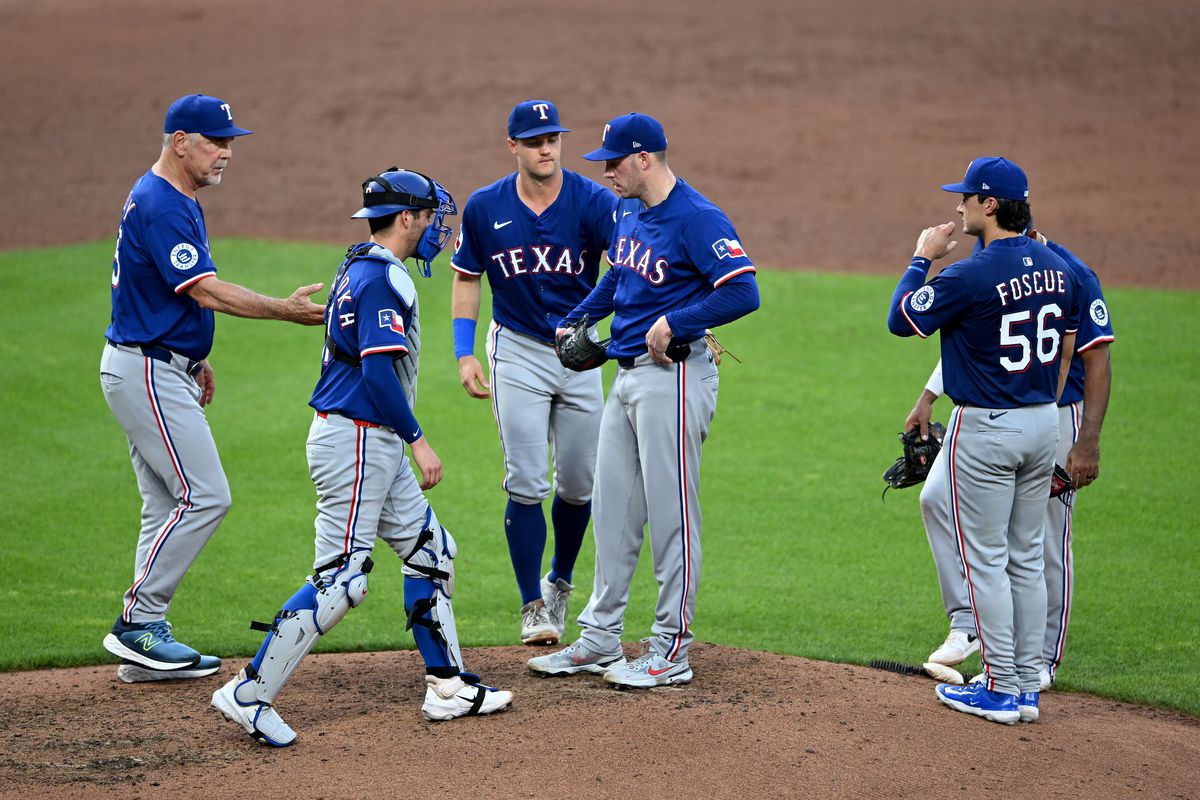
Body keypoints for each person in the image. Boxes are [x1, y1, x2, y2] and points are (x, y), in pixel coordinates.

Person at [210, 167, 512, 747]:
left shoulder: (360, 262)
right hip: (356, 439)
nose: (436, 228)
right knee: (341, 580)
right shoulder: (381, 280)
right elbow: (376, 371)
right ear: (407, 219)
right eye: (429, 217)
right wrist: (418, 438)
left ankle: (447, 685)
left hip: (368, 439)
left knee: (431, 552)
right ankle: (248, 692)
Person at [528, 113, 760, 688]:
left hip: (674, 378)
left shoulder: (698, 219)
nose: (606, 171)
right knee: (611, 512)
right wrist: (580, 316)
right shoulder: (628, 209)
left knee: (671, 514)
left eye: (614, 161)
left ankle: (670, 649)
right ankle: (602, 637)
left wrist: (676, 320)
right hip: (626, 377)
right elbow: (619, 276)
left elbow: (744, 290)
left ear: (645, 159)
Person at [100, 94, 326, 683]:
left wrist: (195, 357)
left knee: (163, 503)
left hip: (154, 364)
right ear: (180, 141)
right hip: (145, 369)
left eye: (230, 142)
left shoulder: (174, 195)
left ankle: (145, 645)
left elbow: (166, 292)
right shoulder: (164, 203)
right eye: (215, 141)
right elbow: (202, 289)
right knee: (205, 496)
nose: (226, 152)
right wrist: (284, 310)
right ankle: (137, 623)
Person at [887, 156, 1082, 725]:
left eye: (967, 198)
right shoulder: (1058, 266)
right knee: (1025, 559)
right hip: (1045, 421)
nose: (958, 206)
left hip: (988, 429)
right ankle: (1025, 686)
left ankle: (997, 689)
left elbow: (903, 319)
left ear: (990, 205)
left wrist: (922, 257)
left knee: (988, 562)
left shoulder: (970, 273)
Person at [913, 233, 1114, 703]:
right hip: (993, 414)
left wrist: (1087, 443)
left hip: (1055, 417)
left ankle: (1040, 660)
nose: (961, 213)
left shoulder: (1071, 272)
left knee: (1042, 539)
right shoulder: (990, 263)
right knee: (936, 498)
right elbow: (978, 339)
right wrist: (928, 394)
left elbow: (1096, 360)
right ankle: (969, 624)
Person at [450, 99, 617, 646]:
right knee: (527, 480)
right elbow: (468, 276)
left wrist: (607, 329)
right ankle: (531, 606)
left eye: (553, 138)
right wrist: (464, 351)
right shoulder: (484, 206)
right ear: (514, 147)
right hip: (516, 351)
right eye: (535, 140)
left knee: (578, 482)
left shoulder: (593, 201)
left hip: (579, 353)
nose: (546, 148)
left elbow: (626, 267)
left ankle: (560, 581)